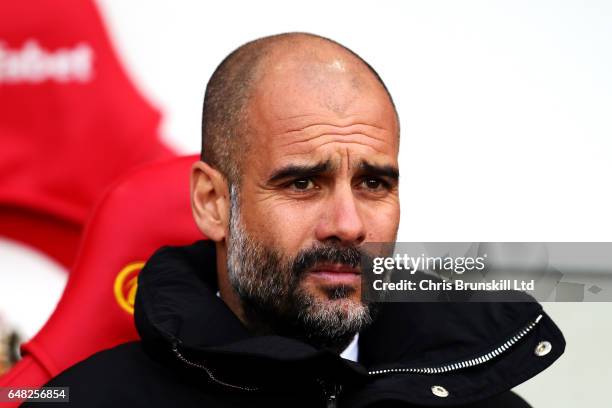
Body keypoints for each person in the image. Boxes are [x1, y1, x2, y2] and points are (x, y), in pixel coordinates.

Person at [26, 32, 565, 407]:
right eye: (303, 182)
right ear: (213, 203)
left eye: (374, 183)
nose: (349, 225)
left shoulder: (486, 402)